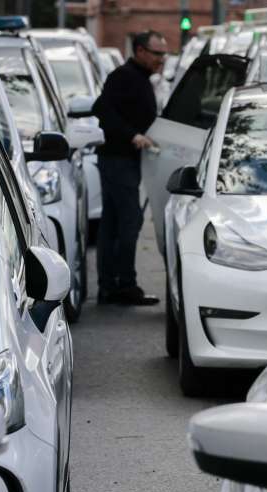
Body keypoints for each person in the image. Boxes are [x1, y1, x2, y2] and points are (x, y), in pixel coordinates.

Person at [92, 30, 167, 306]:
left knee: (113, 223)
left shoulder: (141, 79)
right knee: (129, 221)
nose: (162, 58)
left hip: (125, 160)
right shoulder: (124, 76)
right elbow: (102, 109)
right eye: (157, 53)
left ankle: (110, 286)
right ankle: (124, 284)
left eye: (164, 53)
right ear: (140, 51)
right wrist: (132, 135)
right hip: (117, 159)